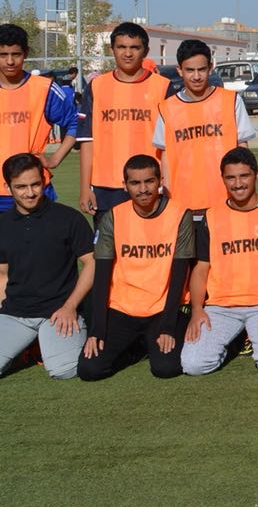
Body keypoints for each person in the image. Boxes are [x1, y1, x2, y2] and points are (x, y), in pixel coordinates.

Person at [181, 148, 258, 375]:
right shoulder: (210, 217)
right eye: (230, 177)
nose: (238, 183)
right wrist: (197, 310)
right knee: (194, 365)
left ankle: (256, 334)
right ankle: (235, 342)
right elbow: (201, 270)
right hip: (221, 307)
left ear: (257, 175)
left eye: (244, 176)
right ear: (222, 179)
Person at [78, 154, 193, 380]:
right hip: (122, 309)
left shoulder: (180, 215)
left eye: (149, 181)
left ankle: (148, 343)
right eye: (135, 183)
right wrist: (97, 330)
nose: (143, 189)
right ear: (125, 186)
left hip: (162, 309)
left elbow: (180, 275)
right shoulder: (112, 217)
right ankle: (136, 349)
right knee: (90, 370)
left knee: (166, 368)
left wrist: (168, 326)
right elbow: (101, 276)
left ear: (160, 181)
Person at [0, 153, 94, 379]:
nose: (30, 193)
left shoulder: (68, 218)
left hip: (58, 312)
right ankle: (27, 347)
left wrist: (71, 306)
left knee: (64, 370)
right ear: (7, 186)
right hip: (16, 314)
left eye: (35, 184)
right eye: (21, 187)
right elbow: (2, 273)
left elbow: (92, 264)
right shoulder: (2, 224)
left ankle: (43, 343)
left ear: (44, 180)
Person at [77, 22, 170, 223]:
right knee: (108, 253)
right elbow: (87, 140)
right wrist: (85, 188)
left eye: (135, 48)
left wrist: (168, 184)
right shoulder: (97, 86)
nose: (128, 53)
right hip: (106, 187)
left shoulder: (163, 87)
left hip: (150, 185)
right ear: (112, 50)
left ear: (145, 51)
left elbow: (171, 146)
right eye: (121, 47)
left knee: (149, 250)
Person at [153, 39, 256, 216]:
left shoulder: (231, 101)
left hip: (225, 201)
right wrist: (168, 199)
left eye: (201, 69)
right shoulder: (167, 108)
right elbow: (165, 157)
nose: (196, 76)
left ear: (210, 67)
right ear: (180, 70)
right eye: (190, 70)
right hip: (182, 206)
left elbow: (243, 151)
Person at [0, 24, 78, 213]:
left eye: (16, 54)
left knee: (41, 242)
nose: (10, 61)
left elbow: (76, 122)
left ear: (26, 53)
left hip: (33, 189)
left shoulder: (44, 89)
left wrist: (55, 159)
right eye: (3, 55)